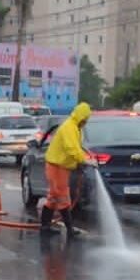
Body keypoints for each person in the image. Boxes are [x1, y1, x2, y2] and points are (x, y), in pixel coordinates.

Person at [41, 102, 97, 237]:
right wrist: (84, 160)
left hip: (62, 167)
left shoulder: (75, 128)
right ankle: (68, 229)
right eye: (85, 119)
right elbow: (71, 148)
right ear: (81, 117)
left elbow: (77, 148)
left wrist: (80, 161)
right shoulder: (69, 128)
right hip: (56, 166)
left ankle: (46, 226)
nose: (86, 122)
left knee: (55, 196)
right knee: (60, 196)